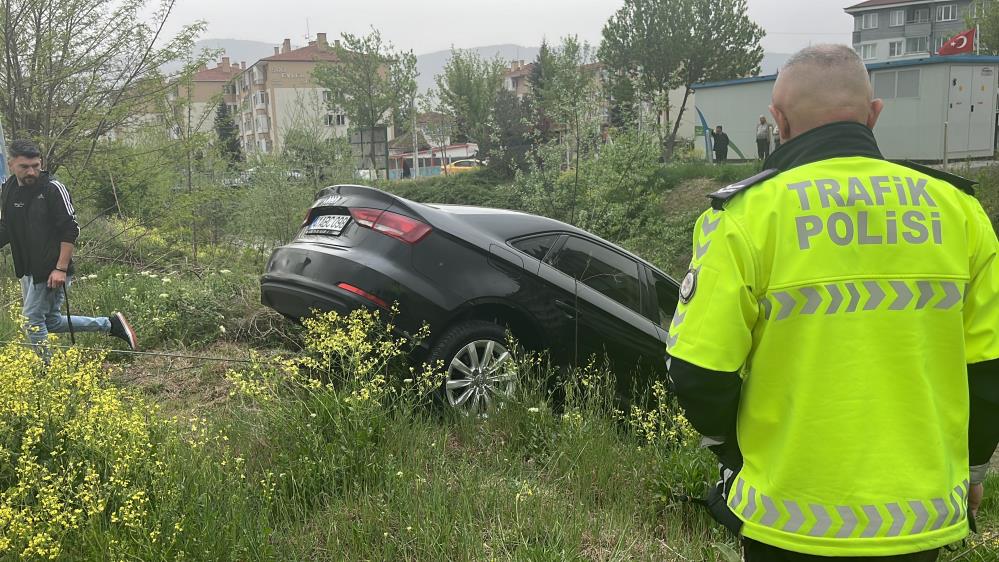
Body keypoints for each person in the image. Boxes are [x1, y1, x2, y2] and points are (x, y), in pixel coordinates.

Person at [666, 45, 999, 561]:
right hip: (919, 517)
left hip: (786, 519)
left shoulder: (744, 217)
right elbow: (990, 368)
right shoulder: (960, 212)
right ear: (874, 113)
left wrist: (734, 456)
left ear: (777, 120)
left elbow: (696, 372)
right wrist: (973, 469)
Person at [0, 139, 137, 357]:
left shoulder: (53, 188)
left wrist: (61, 269)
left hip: (50, 268)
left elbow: (70, 229)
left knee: (32, 321)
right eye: (24, 167)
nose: (31, 172)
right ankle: (111, 324)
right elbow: (7, 226)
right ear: (11, 165)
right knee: (51, 322)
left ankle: (47, 373)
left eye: (36, 165)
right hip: (26, 267)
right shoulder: (8, 188)